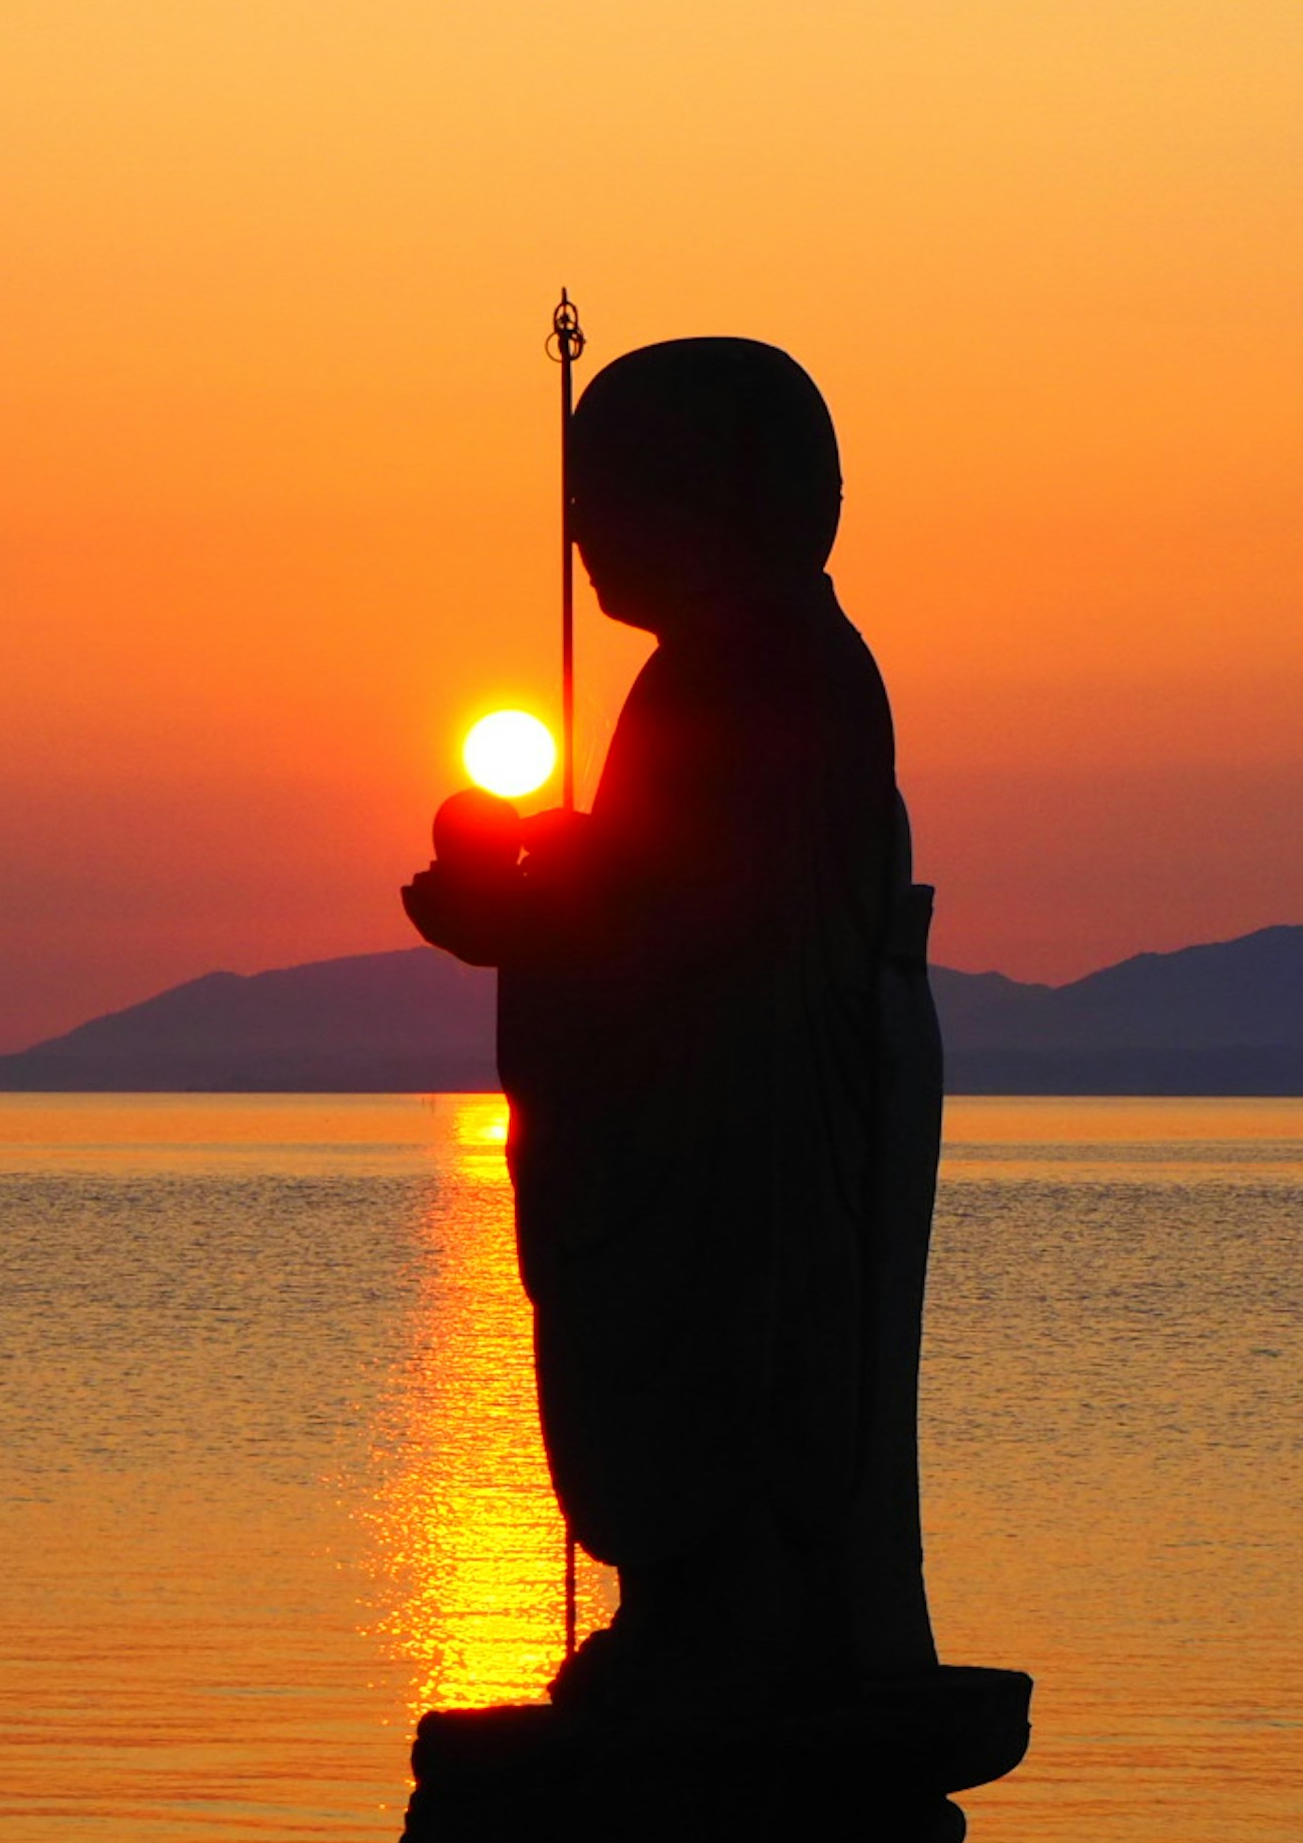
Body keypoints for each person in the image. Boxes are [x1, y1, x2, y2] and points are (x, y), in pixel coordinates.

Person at [403, 336, 942, 1711]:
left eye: (614, 495)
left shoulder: (754, 672)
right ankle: (702, 1606)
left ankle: (725, 1612)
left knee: (719, 1368)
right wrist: (543, 866)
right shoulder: (751, 665)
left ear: (714, 500)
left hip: (731, 1137)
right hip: (707, 1111)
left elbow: (699, 925)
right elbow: (663, 880)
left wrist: (522, 908)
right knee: (697, 1364)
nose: (581, 535)